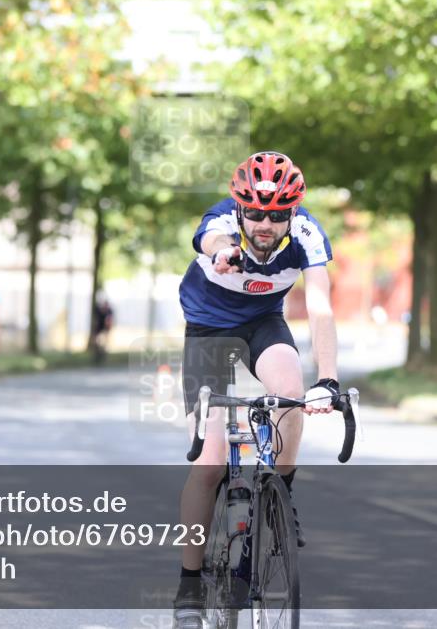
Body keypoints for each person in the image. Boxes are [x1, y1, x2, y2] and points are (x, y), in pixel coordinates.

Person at [173, 151, 339, 627]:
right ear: (241, 208)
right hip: (208, 328)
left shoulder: (306, 234)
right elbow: (211, 238)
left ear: (293, 212)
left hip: (264, 323)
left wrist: (328, 380)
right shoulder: (223, 223)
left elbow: (321, 306)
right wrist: (223, 251)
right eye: (257, 213)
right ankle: (188, 587)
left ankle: (279, 494)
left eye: (277, 214)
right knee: (209, 462)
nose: (265, 224)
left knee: (291, 386)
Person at [91, 294, 114, 365]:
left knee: (105, 342)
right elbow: (97, 321)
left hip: (105, 329)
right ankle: (97, 356)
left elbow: (109, 322)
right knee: (97, 341)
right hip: (99, 329)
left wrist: (107, 330)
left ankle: (104, 356)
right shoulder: (99, 311)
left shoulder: (109, 311)